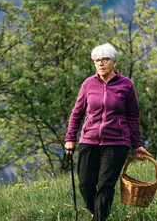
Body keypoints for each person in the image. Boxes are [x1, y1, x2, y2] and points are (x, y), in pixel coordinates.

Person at [64, 43, 151, 221]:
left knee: (105, 185)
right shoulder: (88, 83)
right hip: (89, 141)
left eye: (105, 59)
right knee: (86, 184)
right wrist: (70, 137)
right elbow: (77, 112)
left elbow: (133, 116)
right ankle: (97, 212)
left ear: (114, 62)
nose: (100, 63)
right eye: (97, 60)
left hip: (117, 143)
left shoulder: (126, 85)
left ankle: (100, 218)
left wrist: (137, 145)